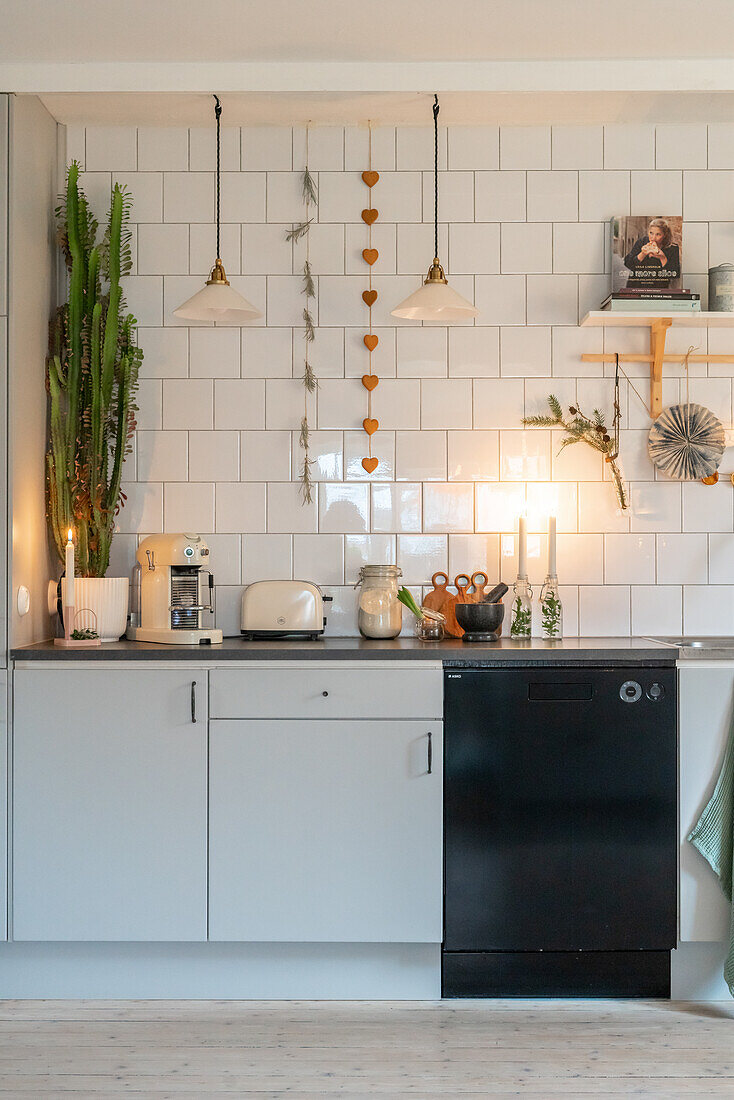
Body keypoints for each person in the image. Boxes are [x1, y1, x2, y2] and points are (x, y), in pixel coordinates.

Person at [623, 218, 680, 289]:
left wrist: (663, 258)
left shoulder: (672, 248)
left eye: (658, 234)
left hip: (658, 289)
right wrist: (642, 254)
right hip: (636, 287)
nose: (653, 238)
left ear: (665, 235)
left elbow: (675, 274)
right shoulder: (642, 242)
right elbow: (627, 263)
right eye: (651, 233)